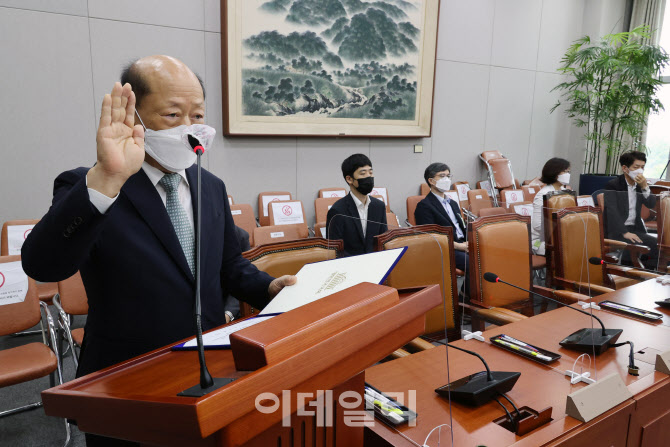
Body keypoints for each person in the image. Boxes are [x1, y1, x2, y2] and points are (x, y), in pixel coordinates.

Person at [21, 55, 296, 446]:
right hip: (127, 379)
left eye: (197, 114)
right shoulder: (93, 185)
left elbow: (227, 265)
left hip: (210, 369)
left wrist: (269, 288)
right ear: (136, 117)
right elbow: (43, 264)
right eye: (172, 115)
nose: (190, 128)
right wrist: (107, 179)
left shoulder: (210, 185)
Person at [604, 151, 658, 268]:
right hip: (616, 230)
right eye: (636, 167)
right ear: (625, 168)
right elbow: (611, 212)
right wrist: (625, 232)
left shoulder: (639, 185)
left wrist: (645, 187)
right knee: (638, 244)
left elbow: (651, 203)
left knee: (657, 245)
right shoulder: (613, 185)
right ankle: (630, 272)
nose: (640, 171)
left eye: (642, 167)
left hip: (635, 228)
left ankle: (647, 273)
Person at [326, 154, 387, 257]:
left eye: (371, 172)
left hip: (375, 263)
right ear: (349, 179)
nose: (369, 177)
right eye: (363, 173)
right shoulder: (337, 211)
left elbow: (383, 241)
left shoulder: (379, 206)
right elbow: (334, 250)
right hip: (349, 266)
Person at [414, 163, 468, 272]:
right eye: (442, 176)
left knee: (489, 256)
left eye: (448, 176)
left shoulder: (453, 203)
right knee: (472, 262)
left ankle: (469, 289)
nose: (447, 179)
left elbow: (461, 226)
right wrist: (458, 246)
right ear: (431, 181)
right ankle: (467, 289)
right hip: (447, 248)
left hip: (464, 243)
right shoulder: (424, 206)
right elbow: (430, 237)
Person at [531, 158, 571, 255]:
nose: (568, 174)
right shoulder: (542, 195)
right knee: (567, 250)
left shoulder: (564, 192)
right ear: (555, 173)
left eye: (569, 172)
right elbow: (537, 225)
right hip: (540, 241)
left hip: (559, 237)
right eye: (565, 172)